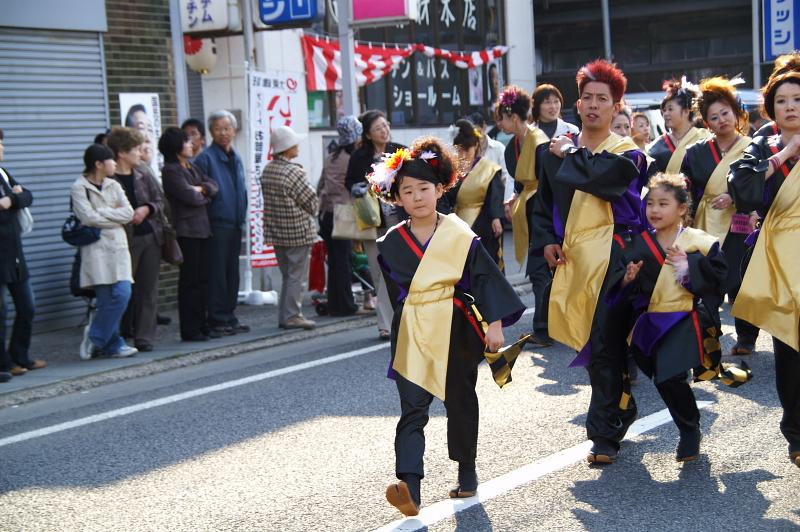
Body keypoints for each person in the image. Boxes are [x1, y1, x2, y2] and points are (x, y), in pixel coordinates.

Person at [370, 138, 525, 516]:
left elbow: (486, 278)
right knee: (413, 408)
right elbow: (395, 297)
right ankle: (410, 487)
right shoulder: (389, 244)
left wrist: (497, 324)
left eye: (424, 188)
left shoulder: (459, 235)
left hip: (455, 328)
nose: (417, 196)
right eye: (408, 190)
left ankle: (466, 469)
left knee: (459, 401)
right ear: (397, 197)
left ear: (440, 189)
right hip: (413, 331)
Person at [531, 59, 650, 463]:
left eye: (603, 99)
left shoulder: (628, 154)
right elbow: (543, 204)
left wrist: (571, 152)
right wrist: (546, 239)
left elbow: (603, 180)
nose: (594, 105)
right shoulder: (553, 153)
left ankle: (602, 434)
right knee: (590, 340)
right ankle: (621, 405)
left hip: (617, 256)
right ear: (577, 104)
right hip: (573, 259)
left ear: (617, 107)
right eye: (587, 98)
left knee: (603, 340)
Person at [615, 173, 732, 462]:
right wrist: (627, 281)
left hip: (684, 319)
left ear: (681, 209)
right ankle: (688, 423)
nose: (654, 210)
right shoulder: (637, 245)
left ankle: (689, 430)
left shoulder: (699, 242)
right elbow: (623, 294)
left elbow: (720, 280)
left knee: (670, 375)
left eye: (663, 204)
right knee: (663, 380)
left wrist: (689, 265)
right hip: (649, 323)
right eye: (650, 203)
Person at [729, 56, 800, 468]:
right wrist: (787, 151)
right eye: (782, 100)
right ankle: (796, 432)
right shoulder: (763, 145)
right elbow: (746, 190)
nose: (790, 106)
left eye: (798, 99)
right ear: (771, 109)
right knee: (789, 349)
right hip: (780, 261)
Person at [680, 76, 758, 355]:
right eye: (714, 116)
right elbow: (686, 184)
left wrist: (736, 197)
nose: (721, 120)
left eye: (725, 113)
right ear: (706, 122)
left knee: (741, 280)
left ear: (736, 113)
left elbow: (761, 185)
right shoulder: (696, 151)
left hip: (740, 223)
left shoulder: (753, 147)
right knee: (706, 283)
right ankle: (707, 336)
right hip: (705, 222)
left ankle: (746, 337)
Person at [495, 85, 552, 346]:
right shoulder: (512, 147)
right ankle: (547, 324)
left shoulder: (539, 142)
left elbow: (548, 181)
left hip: (545, 210)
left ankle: (543, 327)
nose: (500, 123)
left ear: (513, 116)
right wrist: (516, 196)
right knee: (540, 271)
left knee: (540, 270)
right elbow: (520, 184)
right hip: (529, 209)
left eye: (502, 118)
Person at [72, 144, 137, 359]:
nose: (115, 164)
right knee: (106, 300)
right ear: (99, 164)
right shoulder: (79, 188)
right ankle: (112, 344)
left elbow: (128, 213)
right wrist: (112, 216)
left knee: (122, 294)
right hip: (96, 250)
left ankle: (95, 336)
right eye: (111, 160)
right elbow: (87, 217)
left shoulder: (114, 185)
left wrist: (102, 212)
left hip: (118, 248)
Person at [345, 110, 405, 340]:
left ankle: (402, 320)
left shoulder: (399, 151)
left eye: (386, 125)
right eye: (379, 128)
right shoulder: (359, 156)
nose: (384, 130)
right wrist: (361, 187)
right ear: (368, 134)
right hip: (371, 218)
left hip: (397, 217)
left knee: (398, 268)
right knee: (378, 270)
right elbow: (348, 182)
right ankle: (385, 325)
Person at [106, 127, 165, 353]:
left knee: (148, 289)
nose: (141, 154)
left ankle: (144, 337)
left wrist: (147, 208)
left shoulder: (143, 172)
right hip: (120, 240)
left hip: (149, 235)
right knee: (120, 290)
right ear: (121, 153)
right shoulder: (109, 177)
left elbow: (160, 199)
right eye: (136, 150)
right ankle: (116, 336)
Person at [159, 127, 219, 342]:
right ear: (176, 146)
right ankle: (190, 328)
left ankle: (203, 324)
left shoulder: (191, 167)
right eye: (186, 141)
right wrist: (202, 193)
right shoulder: (171, 171)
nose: (191, 144)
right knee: (190, 282)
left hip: (203, 229)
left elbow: (213, 186)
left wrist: (201, 189)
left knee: (203, 280)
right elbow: (189, 197)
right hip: (187, 231)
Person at [193, 110, 249, 336]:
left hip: (235, 222)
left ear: (234, 131)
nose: (223, 133)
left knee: (231, 271)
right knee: (217, 273)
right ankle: (217, 318)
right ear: (211, 132)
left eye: (227, 128)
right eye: (218, 129)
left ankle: (229, 315)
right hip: (216, 222)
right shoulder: (205, 159)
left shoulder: (236, 156)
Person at [261, 125, 319, 330]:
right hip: (298, 232)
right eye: (294, 143)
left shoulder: (268, 170)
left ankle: (285, 315)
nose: (297, 146)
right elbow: (312, 202)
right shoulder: (294, 172)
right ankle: (293, 315)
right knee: (297, 276)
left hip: (276, 231)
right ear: (287, 147)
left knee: (287, 275)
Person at [0, 128, 45, 382]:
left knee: (27, 306)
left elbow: (27, 195)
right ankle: (4, 363)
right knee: (0, 312)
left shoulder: (3, 172)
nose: (3, 148)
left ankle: (20, 355)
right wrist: (12, 198)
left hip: (15, 252)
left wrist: (11, 201)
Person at [318, 115, 363, 316]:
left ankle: (335, 303)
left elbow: (321, 184)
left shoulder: (332, 156)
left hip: (326, 213)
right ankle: (345, 305)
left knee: (335, 261)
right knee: (343, 260)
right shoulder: (352, 158)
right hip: (343, 213)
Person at [449, 119, 504, 264]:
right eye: (459, 150)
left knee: (486, 262)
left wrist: (496, 217)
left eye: (467, 150)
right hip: (459, 221)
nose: (463, 155)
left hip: (483, 220)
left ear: (476, 146)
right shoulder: (453, 170)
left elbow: (495, 195)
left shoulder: (489, 169)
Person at [647, 78, 711, 172]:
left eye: (670, 109)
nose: (665, 114)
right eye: (664, 110)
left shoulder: (705, 139)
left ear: (686, 111)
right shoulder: (656, 147)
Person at [468, 112, 514, 206]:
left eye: (478, 131)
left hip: (497, 201)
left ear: (484, 126)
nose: (477, 136)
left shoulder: (498, 148)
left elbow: (506, 177)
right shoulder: (468, 150)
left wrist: (506, 203)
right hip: (474, 204)